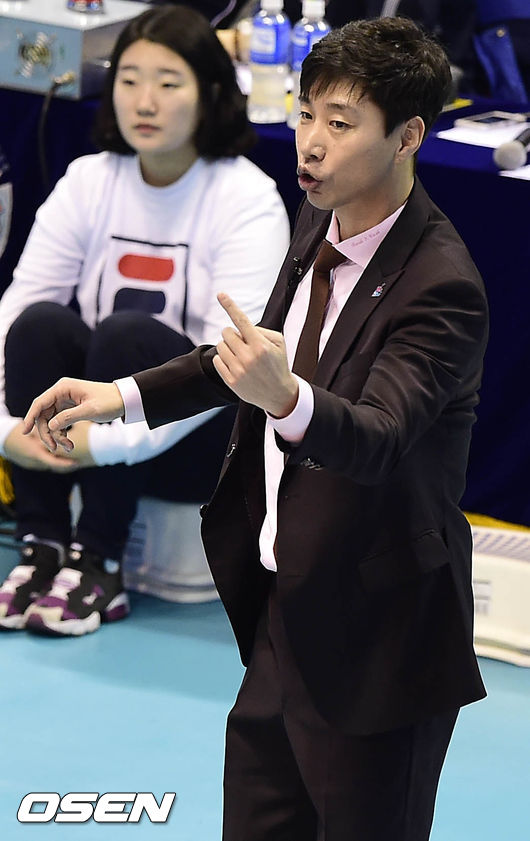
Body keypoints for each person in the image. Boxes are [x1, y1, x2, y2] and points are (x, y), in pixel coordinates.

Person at [24, 17, 488, 841]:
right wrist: (118, 394)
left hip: (381, 636)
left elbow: (380, 436)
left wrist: (287, 400)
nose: (311, 142)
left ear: (408, 137)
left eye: (340, 123)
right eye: (306, 114)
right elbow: (243, 358)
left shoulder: (441, 287)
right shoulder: (319, 220)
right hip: (285, 611)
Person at [0, 4, 290, 635]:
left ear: (210, 93)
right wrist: (6, 431)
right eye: (129, 81)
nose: (145, 102)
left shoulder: (247, 199)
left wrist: (103, 443)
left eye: (168, 82)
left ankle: (100, 561)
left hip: (203, 437)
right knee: (39, 325)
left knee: (127, 334)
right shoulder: (88, 180)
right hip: (89, 429)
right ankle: (41, 547)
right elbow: (15, 310)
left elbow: (232, 369)